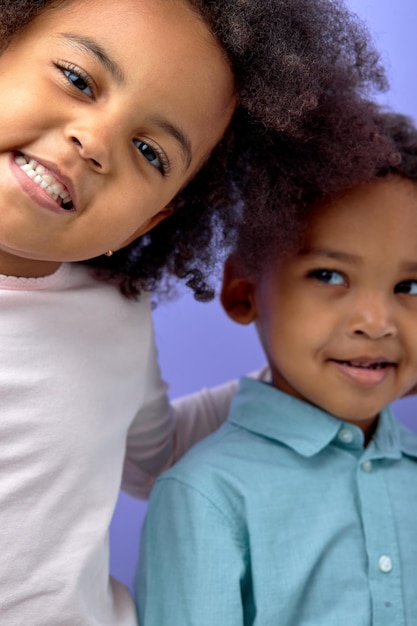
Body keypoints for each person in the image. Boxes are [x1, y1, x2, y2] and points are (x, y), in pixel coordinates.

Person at [0, 0, 396, 624]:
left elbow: (155, 455)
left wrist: (302, 375)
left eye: (152, 153)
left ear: (150, 220)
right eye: (78, 79)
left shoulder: (115, 319)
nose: (96, 141)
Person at [136, 110, 417, 625]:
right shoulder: (208, 494)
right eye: (329, 275)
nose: (377, 323)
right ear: (244, 292)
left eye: (411, 288)